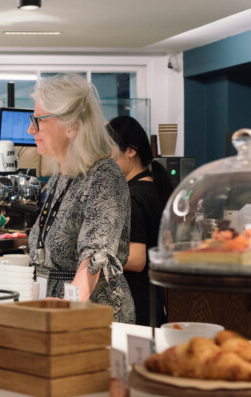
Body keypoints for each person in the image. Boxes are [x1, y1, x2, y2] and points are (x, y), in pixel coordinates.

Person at [26, 74, 135, 323]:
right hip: (59, 310)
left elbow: (95, 258)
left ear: (72, 127)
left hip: (92, 315)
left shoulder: (104, 175)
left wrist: (68, 308)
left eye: (38, 120)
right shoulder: (61, 176)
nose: (31, 129)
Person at [107, 115, 174, 327]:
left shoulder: (132, 196)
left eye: (109, 150)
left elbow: (136, 259)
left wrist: (96, 255)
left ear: (131, 150)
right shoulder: (155, 186)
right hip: (154, 299)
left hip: (136, 303)